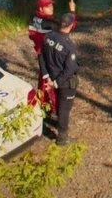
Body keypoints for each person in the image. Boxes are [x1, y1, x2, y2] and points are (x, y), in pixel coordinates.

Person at [41, 12, 80, 146]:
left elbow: (41, 57)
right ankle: (62, 138)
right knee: (64, 108)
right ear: (70, 26)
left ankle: (57, 122)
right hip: (65, 83)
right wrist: (56, 83)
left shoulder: (48, 37)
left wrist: (47, 78)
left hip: (52, 77)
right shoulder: (70, 46)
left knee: (58, 104)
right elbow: (69, 70)